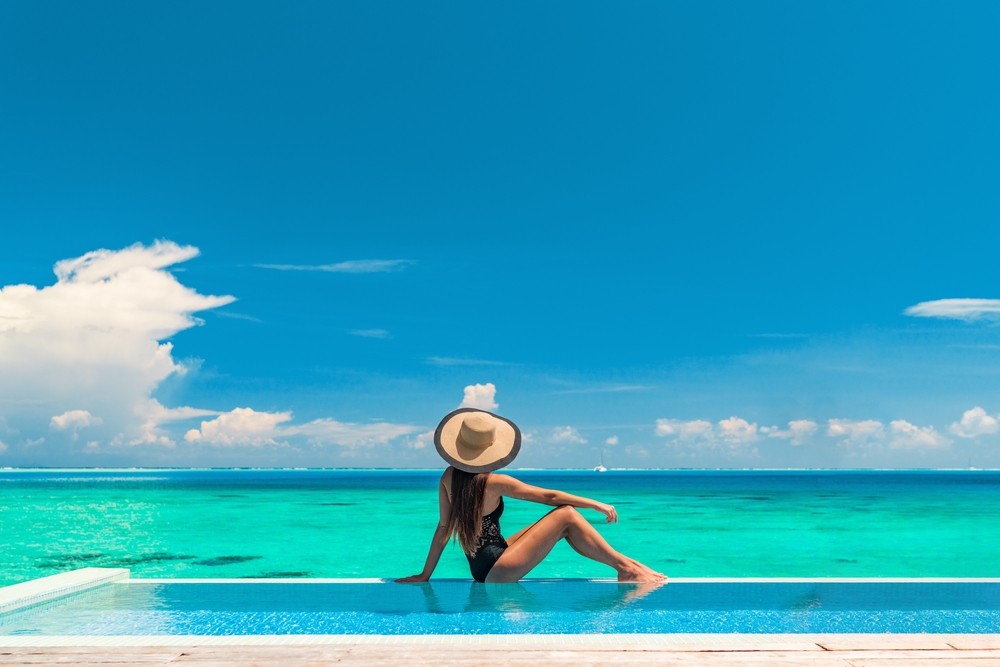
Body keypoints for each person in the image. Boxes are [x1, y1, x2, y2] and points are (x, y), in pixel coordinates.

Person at [397, 408, 666, 584]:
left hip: (482, 567)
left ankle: (628, 564)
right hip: (498, 569)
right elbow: (549, 496)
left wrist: (425, 574)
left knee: (561, 521)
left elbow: (443, 528)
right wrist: (595, 503)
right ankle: (626, 568)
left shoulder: (447, 477)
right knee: (567, 514)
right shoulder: (494, 481)